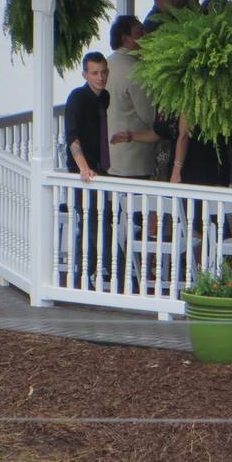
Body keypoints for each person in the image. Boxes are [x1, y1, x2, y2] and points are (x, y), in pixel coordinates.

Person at [64, 52, 113, 286]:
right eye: (94, 73)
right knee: (92, 222)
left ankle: (87, 273)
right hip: (82, 172)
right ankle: (83, 275)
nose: (100, 77)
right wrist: (83, 168)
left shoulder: (104, 98)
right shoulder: (77, 97)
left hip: (100, 168)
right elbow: (72, 137)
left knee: (102, 220)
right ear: (85, 74)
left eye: (103, 72)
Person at [106, 16, 158, 179]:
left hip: (110, 154)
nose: (145, 35)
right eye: (140, 31)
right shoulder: (135, 71)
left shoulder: (106, 64)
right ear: (125, 38)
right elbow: (150, 116)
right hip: (134, 160)